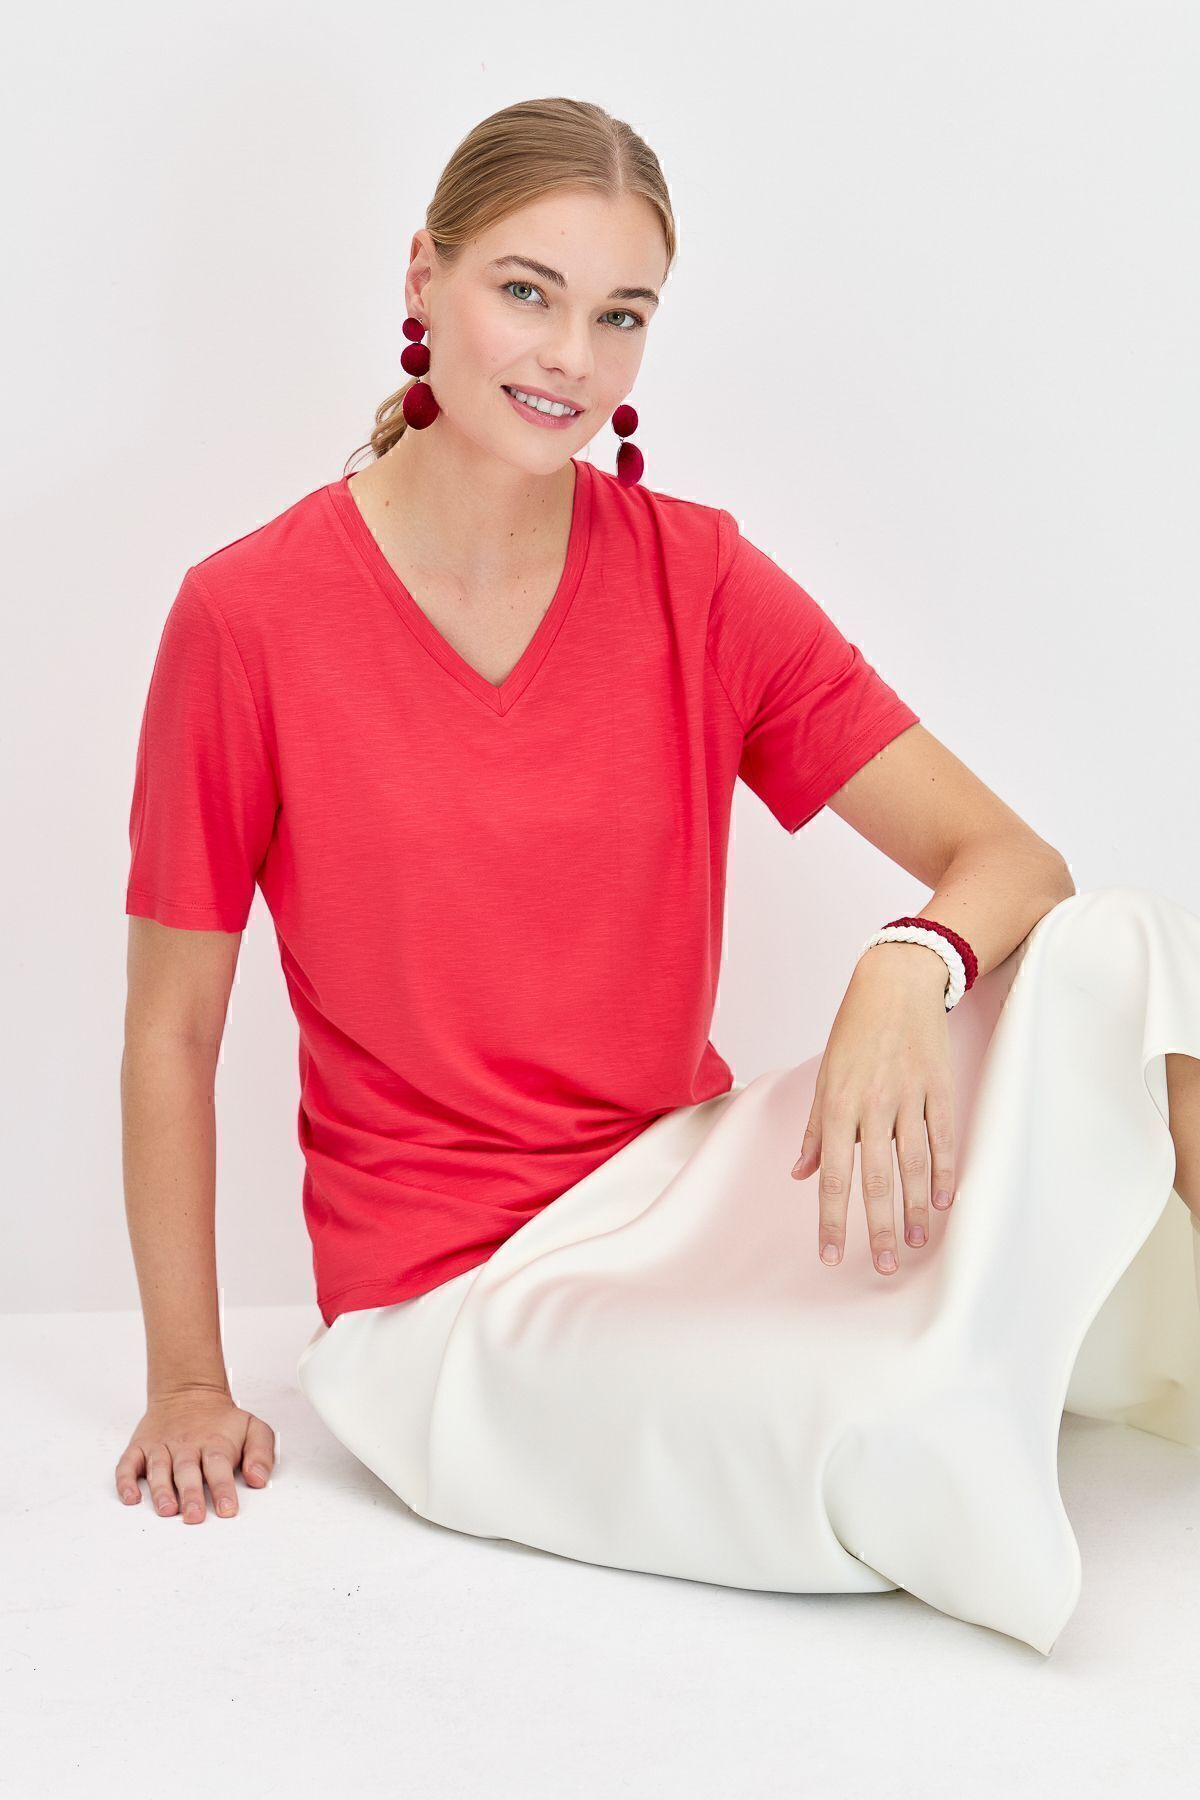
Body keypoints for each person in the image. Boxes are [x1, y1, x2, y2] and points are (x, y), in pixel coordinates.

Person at [114, 97, 1200, 1654]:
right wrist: (186, 1381)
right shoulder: (247, 618)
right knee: (879, 1440)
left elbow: (1012, 858)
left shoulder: (699, 578)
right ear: (423, 276)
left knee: (1120, 962)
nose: (572, 357)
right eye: (527, 291)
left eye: (621, 315)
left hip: (694, 1180)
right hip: (461, 1299)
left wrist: (912, 961)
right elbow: (173, 1029)